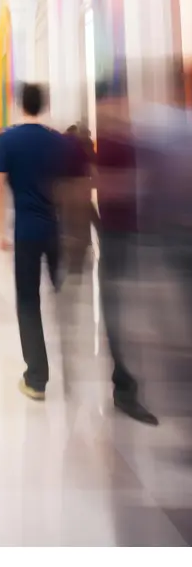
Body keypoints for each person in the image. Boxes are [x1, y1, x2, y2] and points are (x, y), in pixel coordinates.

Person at [0, 84, 64, 401]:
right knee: (64, 296)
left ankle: (36, 378)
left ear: (21, 105)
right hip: (56, 230)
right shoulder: (57, 141)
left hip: (26, 233)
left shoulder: (7, 140)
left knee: (28, 302)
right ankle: (72, 368)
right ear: (44, 106)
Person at [95, 77, 158, 425]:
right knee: (120, 312)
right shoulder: (109, 142)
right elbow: (105, 187)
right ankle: (125, 388)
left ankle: (131, 383)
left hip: (136, 234)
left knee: (134, 311)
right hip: (118, 235)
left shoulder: (129, 140)